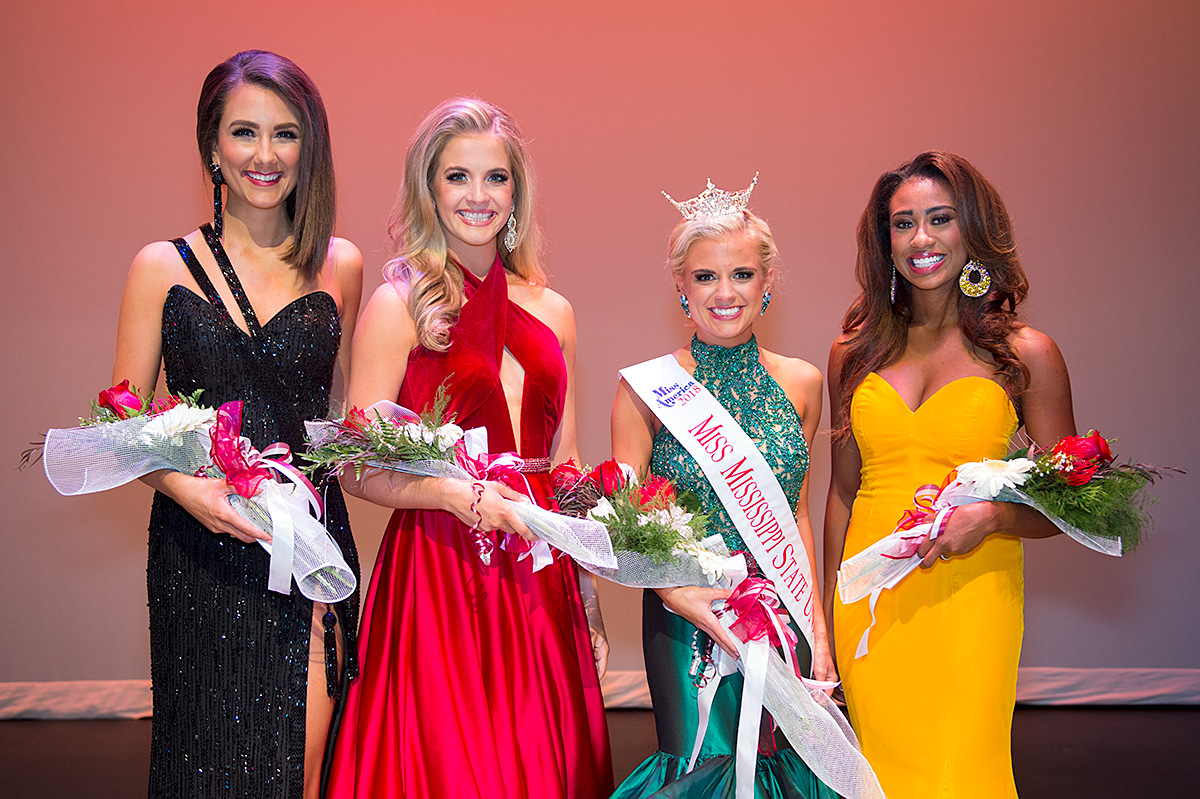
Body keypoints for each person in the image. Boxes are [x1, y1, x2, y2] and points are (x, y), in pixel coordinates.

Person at [326, 97, 612, 799]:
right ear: (429, 188)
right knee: (450, 766)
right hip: (440, 563)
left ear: (517, 192)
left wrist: (590, 593)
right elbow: (353, 461)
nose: (478, 196)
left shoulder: (554, 308)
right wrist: (458, 494)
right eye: (458, 177)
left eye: (496, 178)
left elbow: (567, 465)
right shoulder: (401, 304)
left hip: (541, 574)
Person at [111, 50, 363, 799]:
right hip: (199, 558)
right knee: (208, 768)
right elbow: (117, 427)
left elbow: (335, 416)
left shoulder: (340, 264)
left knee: (302, 768)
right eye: (243, 132)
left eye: (285, 133)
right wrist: (192, 493)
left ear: (308, 147)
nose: (264, 154)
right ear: (211, 146)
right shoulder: (161, 266)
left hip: (309, 549)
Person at [822, 151, 1076, 798]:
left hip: (971, 597)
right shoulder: (853, 351)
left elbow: (1076, 502)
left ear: (974, 228)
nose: (921, 239)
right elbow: (843, 493)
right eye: (903, 223)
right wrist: (827, 619)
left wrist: (992, 516)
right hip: (869, 604)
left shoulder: (1024, 352)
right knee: (875, 777)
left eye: (940, 219)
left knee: (961, 774)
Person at [610, 177, 838, 798]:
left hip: (780, 612)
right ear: (681, 287)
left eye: (741, 274)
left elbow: (792, 513)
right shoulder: (644, 390)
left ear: (768, 284)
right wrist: (687, 600)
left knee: (775, 767)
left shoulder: (803, 384)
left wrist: (817, 628)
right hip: (684, 613)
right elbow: (625, 529)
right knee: (698, 764)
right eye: (705, 276)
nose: (725, 292)